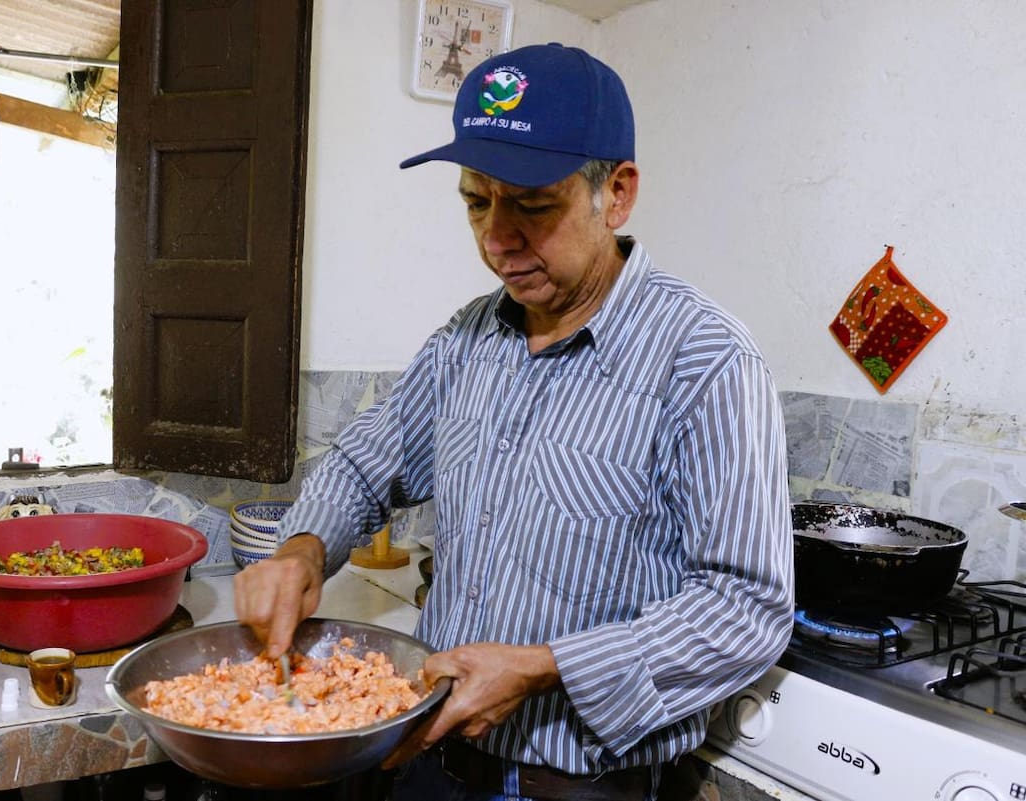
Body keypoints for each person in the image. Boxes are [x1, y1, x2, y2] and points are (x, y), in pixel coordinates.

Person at [234, 42, 794, 801]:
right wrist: (303, 550)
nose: (497, 237)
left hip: (574, 786)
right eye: (475, 201)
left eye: (532, 204)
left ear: (617, 194)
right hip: (431, 760)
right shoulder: (469, 338)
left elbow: (747, 609)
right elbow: (369, 460)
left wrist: (541, 666)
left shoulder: (704, 360)